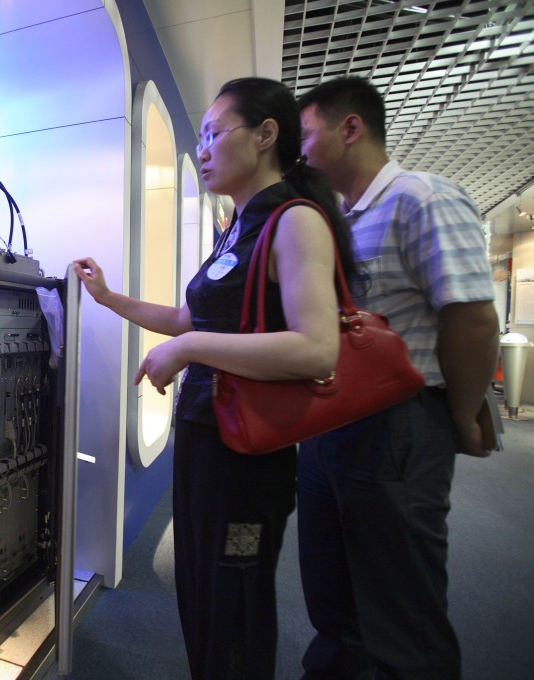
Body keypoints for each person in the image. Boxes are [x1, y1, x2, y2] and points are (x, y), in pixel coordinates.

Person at [73, 77, 355, 679]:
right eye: (198, 138)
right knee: (202, 591)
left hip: (250, 458)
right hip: (207, 437)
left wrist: (192, 347)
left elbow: (317, 348)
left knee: (236, 596)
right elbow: (186, 318)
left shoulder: (294, 221)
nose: (202, 149)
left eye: (212, 134)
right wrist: (107, 299)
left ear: (265, 136)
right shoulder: (237, 227)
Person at [296, 76, 500, 679]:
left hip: (401, 428)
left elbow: (471, 317)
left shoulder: (422, 199)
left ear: (350, 128)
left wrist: (460, 414)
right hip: (333, 428)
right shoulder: (337, 219)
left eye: (308, 134)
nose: (301, 151)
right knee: (334, 601)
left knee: (402, 612)